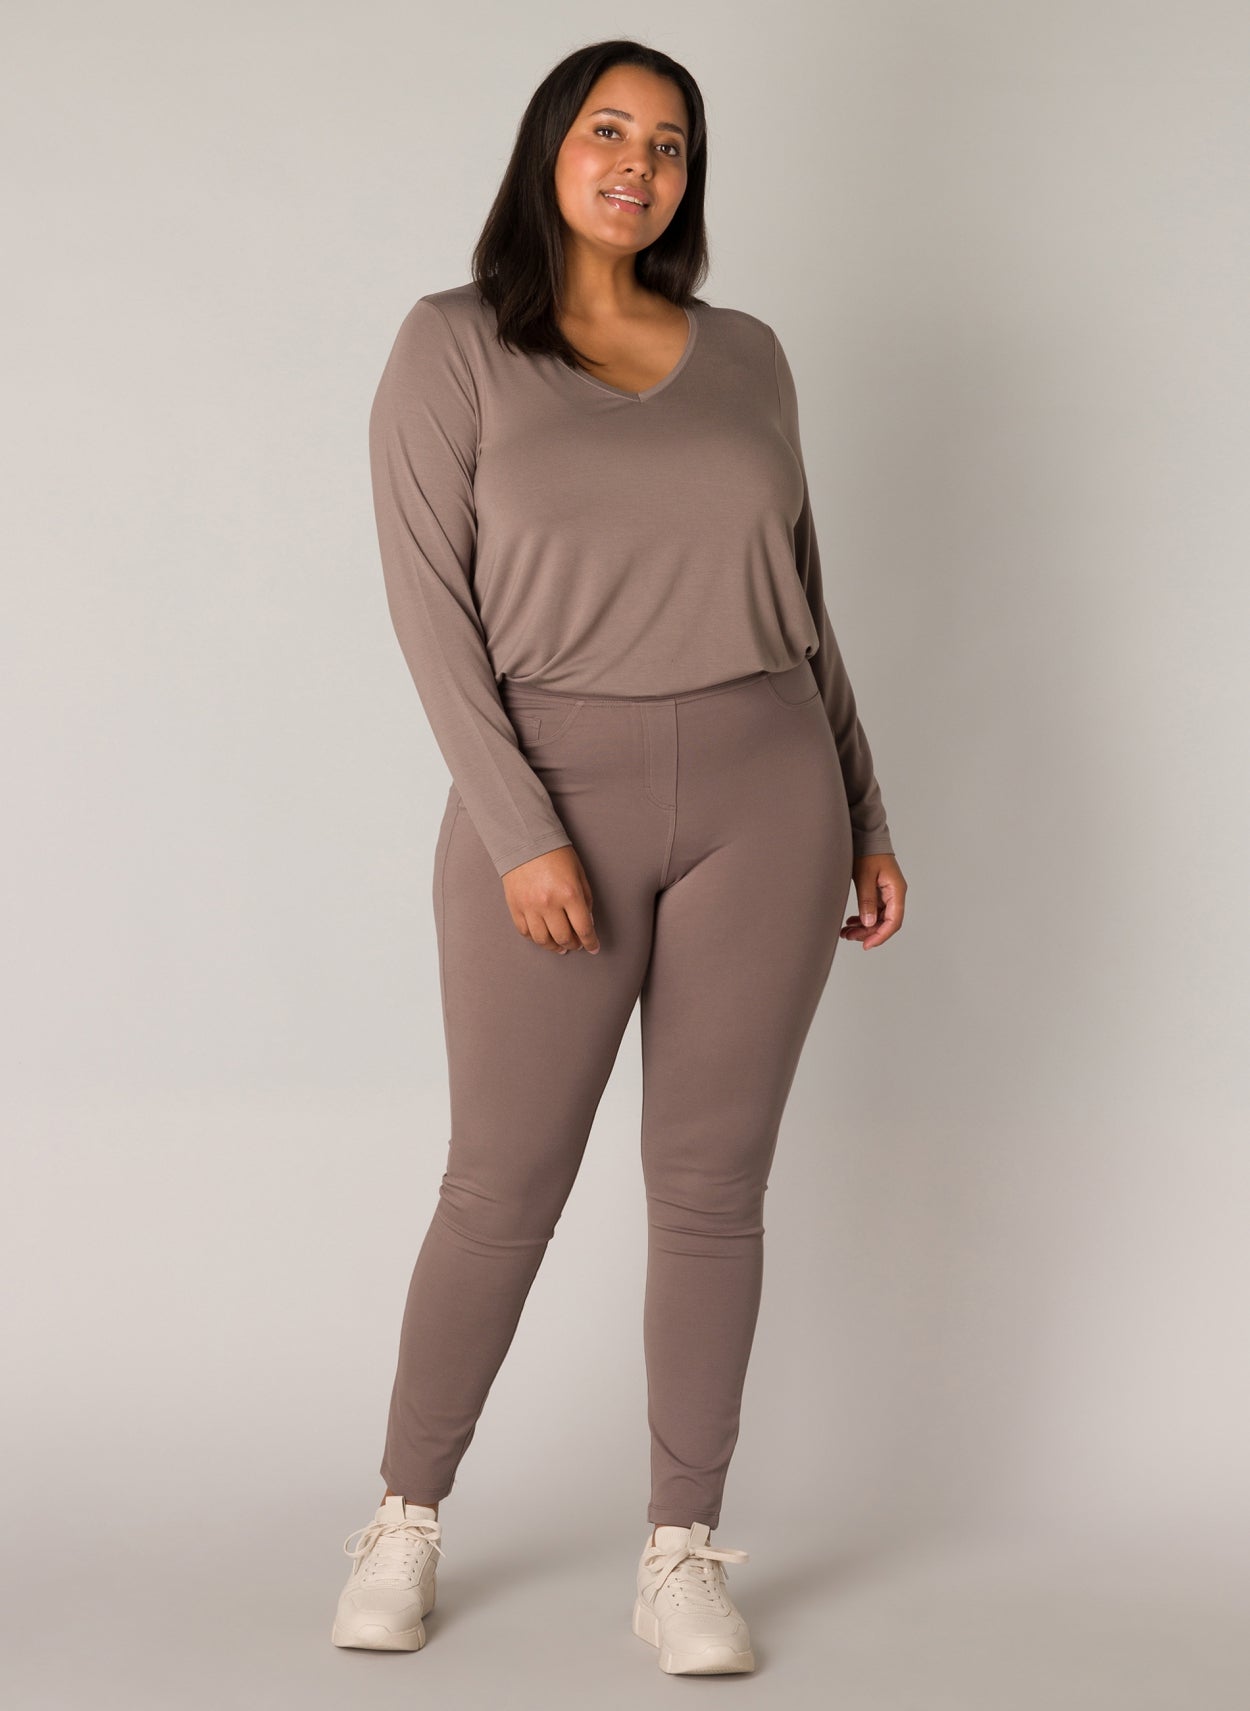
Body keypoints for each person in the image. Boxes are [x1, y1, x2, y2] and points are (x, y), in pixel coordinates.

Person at [332, 38, 907, 1676]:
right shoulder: (452, 345)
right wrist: (521, 833)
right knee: (500, 1184)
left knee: (711, 1190)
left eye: (667, 143)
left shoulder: (748, 356)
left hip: (764, 796)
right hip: (549, 791)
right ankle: (404, 1518)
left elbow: (803, 602)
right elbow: (429, 613)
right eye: (607, 131)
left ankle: (680, 1552)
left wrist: (863, 811)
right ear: (549, 149)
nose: (636, 165)